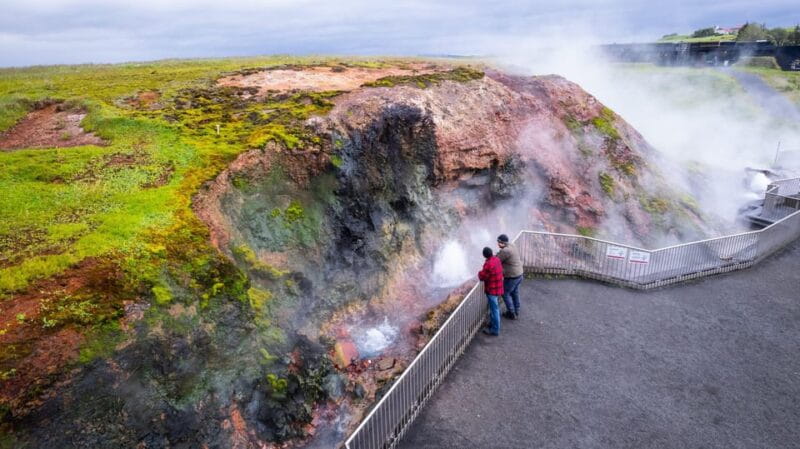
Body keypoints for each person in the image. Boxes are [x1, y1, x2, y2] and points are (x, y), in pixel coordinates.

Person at [477, 246, 504, 336]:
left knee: (494, 309)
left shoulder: (488, 264)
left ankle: (495, 330)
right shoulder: (496, 259)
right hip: (498, 287)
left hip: (492, 289)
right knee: (494, 308)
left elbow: (482, 277)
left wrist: (479, 272)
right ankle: (493, 324)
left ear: (484, 255)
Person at [497, 234, 523, 320]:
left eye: (499, 242)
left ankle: (511, 313)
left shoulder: (505, 251)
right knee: (515, 293)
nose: (497, 244)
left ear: (502, 243)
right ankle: (517, 310)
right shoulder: (512, 245)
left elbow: (496, 260)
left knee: (505, 293)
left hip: (512, 276)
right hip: (519, 274)